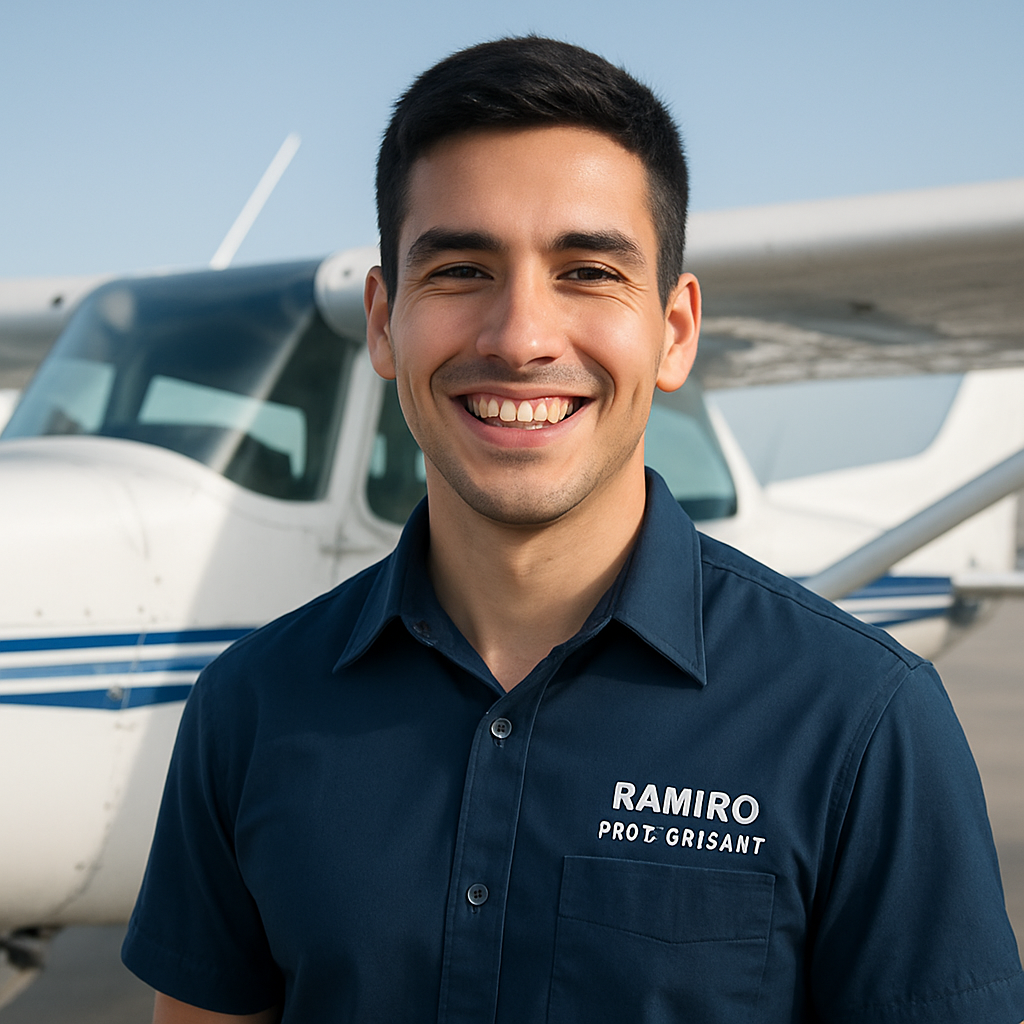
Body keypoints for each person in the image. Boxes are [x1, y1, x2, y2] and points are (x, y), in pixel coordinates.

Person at [122, 36, 1024, 1024]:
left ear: (674, 331)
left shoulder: (866, 720)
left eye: (588, 271)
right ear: (383, 322)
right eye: (460, 268)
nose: (519, 337)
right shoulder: (246, 709)